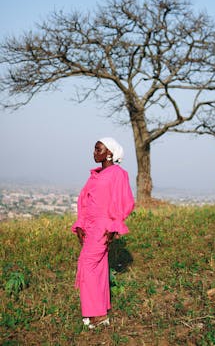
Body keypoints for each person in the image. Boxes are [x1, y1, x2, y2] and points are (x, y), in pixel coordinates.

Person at [71, 137, 135, 329]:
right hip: (89, 227)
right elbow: (85, 200)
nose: (94, 152)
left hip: (102, 226)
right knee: (97, 268)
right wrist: (80, 224)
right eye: (94, 149)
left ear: (109, 153)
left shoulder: (118, 174)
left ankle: (96, 315)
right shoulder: (95, 175)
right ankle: (100, 313)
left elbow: (125, 201)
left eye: (98, 149)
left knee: (87, 264)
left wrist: (113, 225)